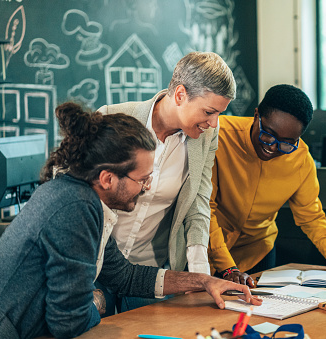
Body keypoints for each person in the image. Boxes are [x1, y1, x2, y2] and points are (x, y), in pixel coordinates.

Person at [0, 103, 260, 339]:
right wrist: (100, 300)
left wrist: (201, 281)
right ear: (107, 178)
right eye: (142, 180)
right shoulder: (75, 210)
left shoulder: (85, 200)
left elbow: (124, 275)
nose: (147, 188)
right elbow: (68, 321)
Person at [96, 51, 235, 314]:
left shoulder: (206, 136)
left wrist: (199, 276)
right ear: (180, 94)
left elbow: (198, 203)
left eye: (219, 113)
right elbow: (75, 197)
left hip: (151, 274)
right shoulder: (110, 119)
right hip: (96, 266)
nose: (214, 123)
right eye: (208, 111)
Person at [208, 84, 326, 286]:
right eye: (268, 134)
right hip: (207, 248)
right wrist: (228, 267)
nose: (272, 147)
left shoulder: (301, 159)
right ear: (256, 115)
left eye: (286, 143)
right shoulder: (218, 135)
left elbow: (310, 215)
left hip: (257, 254)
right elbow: (205, 208)